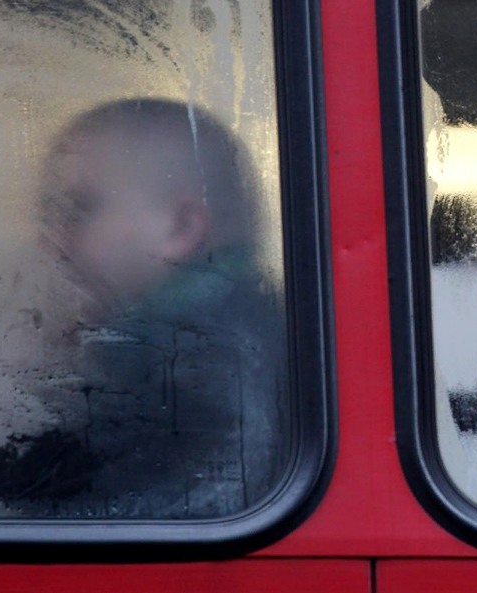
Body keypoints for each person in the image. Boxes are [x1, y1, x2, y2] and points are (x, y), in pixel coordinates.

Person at [35, 98, 288, 517]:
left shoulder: (179, 370)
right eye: (49, 215)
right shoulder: (257, 330)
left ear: (181, 226)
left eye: (79, 209)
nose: (51, 240)